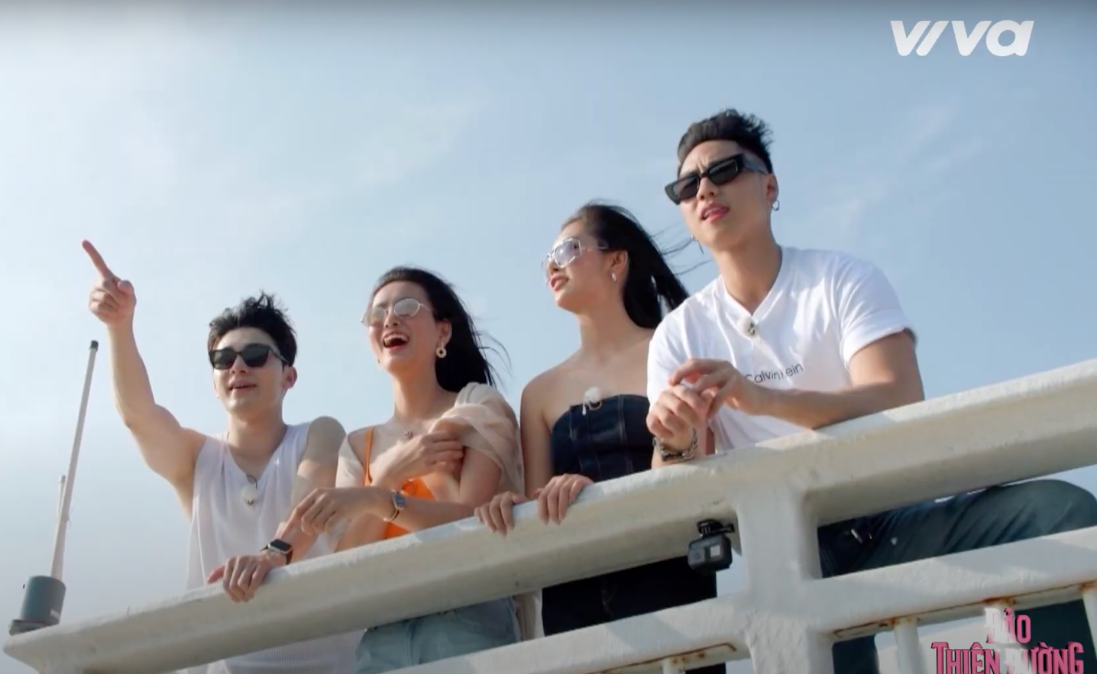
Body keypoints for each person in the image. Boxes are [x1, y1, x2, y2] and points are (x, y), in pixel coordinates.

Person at [643, 109, 1097, 673]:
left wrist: (762, 400)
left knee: (1057, 515)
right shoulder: (679, 334)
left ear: (770, 186)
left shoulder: (841, 278)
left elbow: (898, 395)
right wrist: (676, 438)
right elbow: (674, 475)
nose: (705, 189)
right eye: (687, 186)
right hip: (784, 554)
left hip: (891, 521)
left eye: (725, 170)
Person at [216, 266, 528, 674]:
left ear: (442, 332)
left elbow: (471, 521)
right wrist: (386, 479)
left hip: (466, 619)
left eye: (407, 307)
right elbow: (350, 560)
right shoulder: (357, 446)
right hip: (383, 637)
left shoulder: (475, 406)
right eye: (377, 313)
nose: (390, 319)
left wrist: (378, 500)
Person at [81, 240, 361, 674]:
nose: (238, 367)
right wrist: (119, 326)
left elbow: (310, 506)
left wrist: (271, 554)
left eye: (255, 356)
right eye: (223, 359)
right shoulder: (197, 460)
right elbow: (139, 416)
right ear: (214, 383)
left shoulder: (319, 434)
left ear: (289, 376)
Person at [472, 202, 724, 672]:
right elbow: (540, 505)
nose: (552, 266)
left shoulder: (671, 348)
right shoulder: (539, 392)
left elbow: (700, 464)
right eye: (547, 259)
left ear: (616, 261)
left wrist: (596, 494)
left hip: (666, 573)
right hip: (575, 595)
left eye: (567, 250)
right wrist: (512, 505)